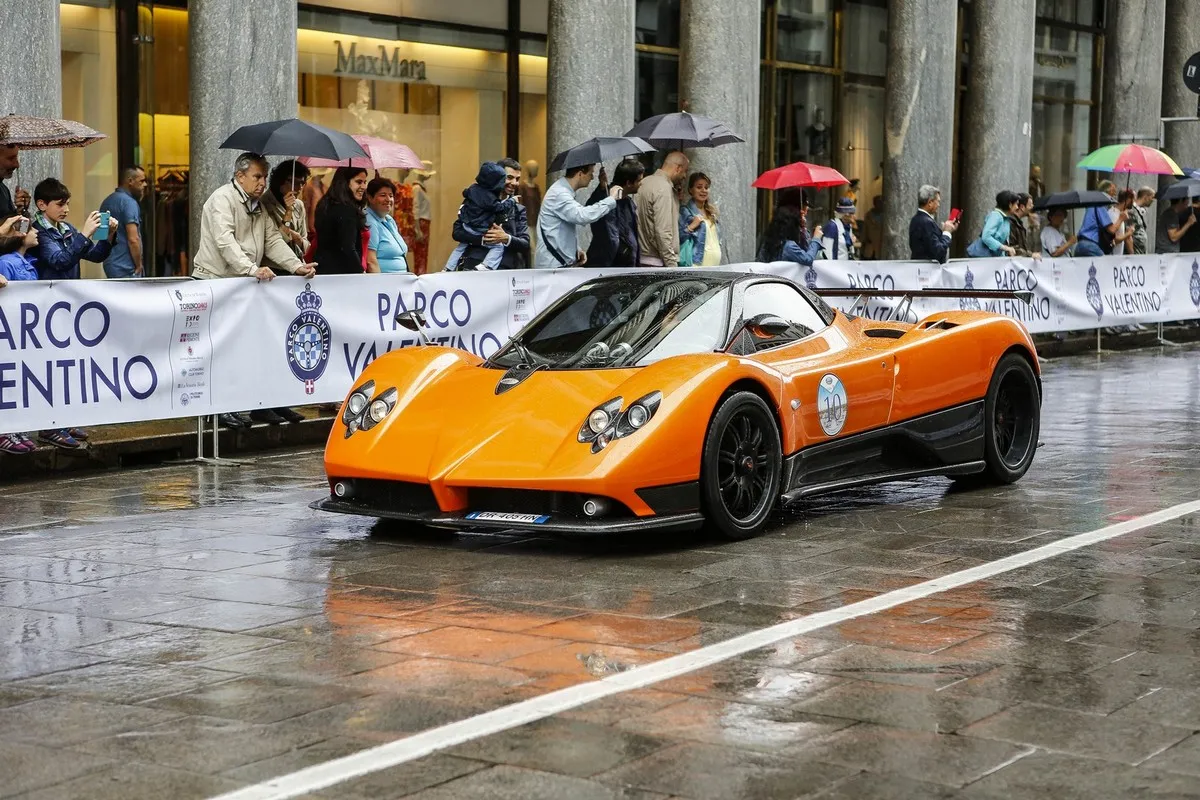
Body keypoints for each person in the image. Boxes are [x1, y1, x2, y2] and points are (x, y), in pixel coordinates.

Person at [192, 152, 317, 429]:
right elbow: (225, 242)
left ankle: (238, 403)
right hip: (216, 281)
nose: (262, 183)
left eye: (263, 177)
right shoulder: (222, 200)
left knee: (242, 347)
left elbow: (272, 240)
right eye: (257, 177)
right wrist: (251, 269)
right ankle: (216, 408)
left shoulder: (257, 205)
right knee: (219, 347)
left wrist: (297, 266)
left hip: (242, 283)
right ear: (240, 176)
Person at [0, 219, 41, 452]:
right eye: (29, 229)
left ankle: (15, 427)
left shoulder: (28, 261)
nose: (35, 232)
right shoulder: (7, 262)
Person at [534, 163, 620, 268]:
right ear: (580, 174)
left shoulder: (563, 190)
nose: (592, 177)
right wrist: (611, 199)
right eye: (591, 173)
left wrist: (576, 249)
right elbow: (583, 216)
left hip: (559, 263)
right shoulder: (560, 194)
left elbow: (562, 227)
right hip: (554, 265)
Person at [450, 158, 529, 271]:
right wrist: (483, 238)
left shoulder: (518, 209)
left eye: (517, 179)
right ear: (497, 177)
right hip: (473, 266)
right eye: (509, 177)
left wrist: (506, 238)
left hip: (504, 270)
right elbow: (457, 232)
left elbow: (525, 243)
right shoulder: (475, 200)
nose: (514, 183)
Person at [30, 178, 117, 280]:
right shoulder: (37, 232)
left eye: (67, 204)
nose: (66, 210)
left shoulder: (67, 228)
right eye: (60, 204)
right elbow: (60, 262)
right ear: (41, 205)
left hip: (70, 291)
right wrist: (84, 234)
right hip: (50, 293)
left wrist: (109, 234)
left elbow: (96, 255)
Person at [586, 158, 643, 267]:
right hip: (607, 266)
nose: (641, 184)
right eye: (639, 180)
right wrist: (602, 189)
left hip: (627, 266)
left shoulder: (629, 203)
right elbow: (592, 211)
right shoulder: (606, 199)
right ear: (629, 183)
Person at [637, 151, 689, 267]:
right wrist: (672, 266)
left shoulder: (644, 182)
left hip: (640, 257)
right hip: (658, 262)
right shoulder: (664, 189)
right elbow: (663, 231)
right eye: (685, 171)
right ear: (678, 168)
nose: (685, 176)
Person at [313, 166, 369, 274]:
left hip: (323, 271)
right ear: (345, 183)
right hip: (342, 276)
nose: (363, 187)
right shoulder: (347, 210)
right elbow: (348, 247)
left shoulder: (324, 204)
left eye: (365, 182)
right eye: (359, 182)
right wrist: (361, 272)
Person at [99, 166, 147, 278]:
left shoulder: (106, 202)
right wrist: (139, 265)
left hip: (109, 264)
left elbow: (102, 234)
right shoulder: (129, 203)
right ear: (130, 181)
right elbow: (133, 239)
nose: (145, 185)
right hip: (128, 267)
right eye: (142, 181)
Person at [262, 160, 311, 264]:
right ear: (280, 181)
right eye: (295, 183)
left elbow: (306, 242)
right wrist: (288, 212)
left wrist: (299, 240)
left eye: (302, 183)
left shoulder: (299, 205)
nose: (299, 188)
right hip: (274, 266)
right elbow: (275, 241)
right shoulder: (264, 204)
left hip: (298, 262)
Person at [364, 177, 409, 273]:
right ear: (370, 198)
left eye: (391, 195)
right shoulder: (370, 220)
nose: (388, 199)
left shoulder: (389, 220)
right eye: (383, 195)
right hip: (385, 285)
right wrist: (380, 286)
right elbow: (370, 261)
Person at [679, 172, 722, 267]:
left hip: (715, 264)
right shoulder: (686, 211)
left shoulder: (712, 212)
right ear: (691, 190)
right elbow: (679, 238)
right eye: (699, 187)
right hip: (698, 264)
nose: (704, 190)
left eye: (706, 187)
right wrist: (691, 226)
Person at [758, 206, 823, 266]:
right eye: (798, 225)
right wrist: (816, 238)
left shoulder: (768, 241)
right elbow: (808, 259)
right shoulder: (788, 246)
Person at [908, 184, 957, 263]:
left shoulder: (915, 219)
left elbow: (927, 244)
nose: (939, 205)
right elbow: (938, 251)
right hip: (928, 271)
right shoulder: (927, 222)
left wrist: (943, 231)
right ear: (930, 203)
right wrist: (947, 233)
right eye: (937, 201)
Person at [1076, 180, 1125, 257]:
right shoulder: (1100, 205)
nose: (1114, 194)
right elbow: (1111, 230)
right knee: (1105, 266)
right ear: (1107, 192)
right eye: (1113, 191)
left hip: (1080, 245)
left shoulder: (1092, 204)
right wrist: (1121, 218)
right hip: (1090, 245)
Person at [967, 191, 1019, 258]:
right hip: (983, 257)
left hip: (993, 258)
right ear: (1010, 204)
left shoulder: (1006, 219)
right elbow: (986, 236)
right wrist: (1004, 248)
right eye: (1016, 204)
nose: (1017, 207)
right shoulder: (996, 216)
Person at [408, 161, 434, 275]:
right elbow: (415, 209)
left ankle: (421, 274)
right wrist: (417, 229)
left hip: (424, 223)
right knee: (420, 253)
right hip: (421, 223)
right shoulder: (417, 188)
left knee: (423, 253)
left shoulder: (422, 188)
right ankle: (419, 275)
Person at [0, 144, 30, 221]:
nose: (17, 165)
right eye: (11, 158)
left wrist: (22, 212)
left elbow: (22, 231)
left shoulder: (4, 190)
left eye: (16, 158)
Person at [1007, 193, 1040, 260]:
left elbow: (1022, 248)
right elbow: (1012, 247)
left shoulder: (1019, 223)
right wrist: (1031, 254)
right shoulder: (1011, 223)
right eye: (1030, 205)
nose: (1032, 207)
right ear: (1022, 207)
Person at [519, 159, 543, 241]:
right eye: (533, 168)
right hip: (527, 222)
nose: (535, 171)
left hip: (536, 221)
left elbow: (539, 203)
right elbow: (520, 204)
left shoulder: (536, 187)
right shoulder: (522, 187)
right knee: (531, 247)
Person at [1128, 187, 1154, 255]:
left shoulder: (1140, 212)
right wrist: (1131, 254)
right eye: (1152, 197)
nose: (1153, 200)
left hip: (1140, 253)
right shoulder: (1132, 211)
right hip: (1135, 253)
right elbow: (1128, 234)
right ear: (1145, 197)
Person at [861, 195, 884, 260]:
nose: (880, 204)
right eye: (878, 202)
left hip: (881, 247)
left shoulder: (886, 216)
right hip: (870, 247)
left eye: (881, 202)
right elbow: (864, 231)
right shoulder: (868, 215)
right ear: (874, 203)